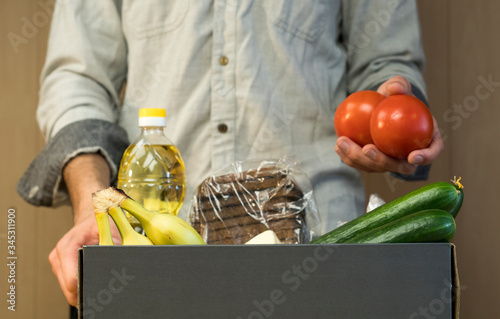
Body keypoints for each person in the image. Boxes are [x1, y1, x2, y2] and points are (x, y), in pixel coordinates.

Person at [17, 0, 443, 313]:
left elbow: (386, 63)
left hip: (319, 254)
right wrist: (93, 204)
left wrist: (397, 119)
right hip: (153, 261)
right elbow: (77, 82)